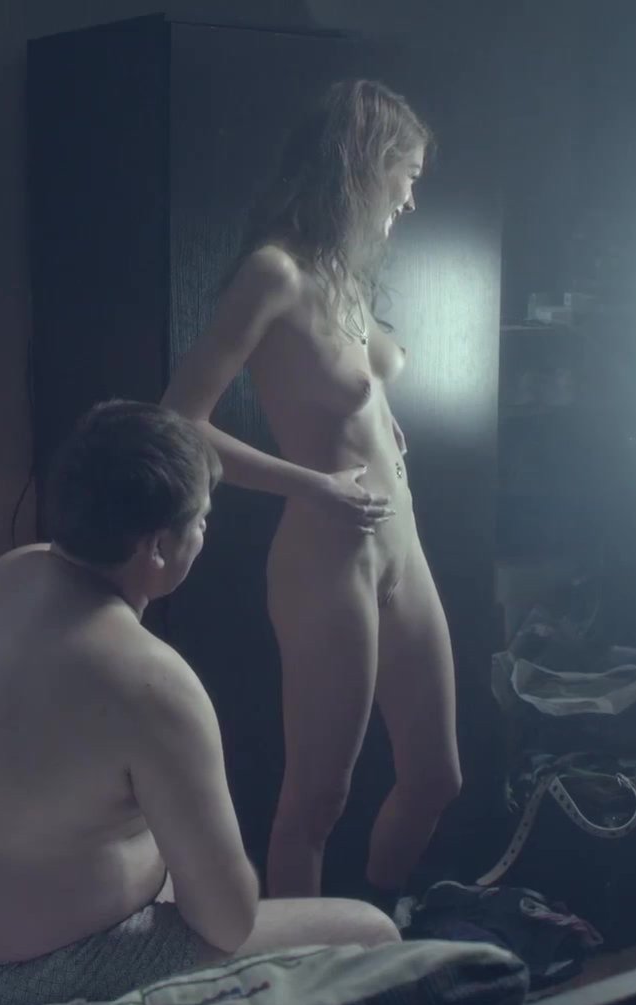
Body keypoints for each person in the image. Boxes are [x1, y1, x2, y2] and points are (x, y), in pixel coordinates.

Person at [0, 401, 398, 1005]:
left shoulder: (11, 572)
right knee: (372, 931)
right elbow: (228, 923)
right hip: (13, 976)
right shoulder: (151, 680)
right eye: (200, 521)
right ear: (156, 547)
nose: (204, 536)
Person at [161, 80, 462, 907]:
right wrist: (315, 484)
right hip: (328, 558)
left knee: (436, 777)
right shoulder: (274, 273)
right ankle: (308, 964)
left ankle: (385, 924)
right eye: (406, 177)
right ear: (363, 166)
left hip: (403, 545)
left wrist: (379, 419)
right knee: (318, 799)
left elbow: (350, 386)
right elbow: (178, 419)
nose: (410, 199)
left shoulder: (346, 276)